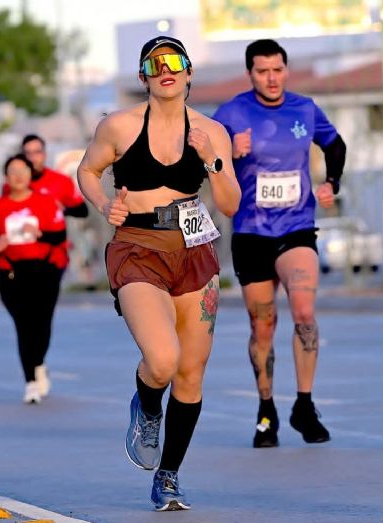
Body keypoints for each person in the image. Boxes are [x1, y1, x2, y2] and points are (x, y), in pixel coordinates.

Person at [77, 36, 240, 511]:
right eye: (155, 62)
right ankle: (147, 406)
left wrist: (211, 158)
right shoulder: (120, 126)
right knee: (163, 359)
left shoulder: (211, 131)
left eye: (175, 61)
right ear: (144, 75)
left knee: (190, 374)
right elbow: (88, 171)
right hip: (138, 248)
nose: (166, 69)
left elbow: (229, 204)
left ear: (189, 73)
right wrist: (104, 201)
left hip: (194, 252)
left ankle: (168, 476)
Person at [212, 39, 346, 449]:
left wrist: (331, 183)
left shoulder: (304, 108)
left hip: (296, 228)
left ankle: (304, 404)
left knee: (304, 312)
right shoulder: (231, 113)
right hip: (251, 233)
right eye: (262, 71)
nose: (271, 78)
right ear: (250, 73)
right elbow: (202, 162)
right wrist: (228, 153)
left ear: (286, 70)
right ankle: (266, 408)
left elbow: (335, 145)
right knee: (262, 325)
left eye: (277, 70)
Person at [1, 134, 89, 397]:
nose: (32, 157)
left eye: (37, 152)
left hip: (53, 258)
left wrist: (56, 209)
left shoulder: (58, 182)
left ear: (44, 153)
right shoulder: (10, 187)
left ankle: (37, 361)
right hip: (18, 262)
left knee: (42, 317)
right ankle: (33, 366)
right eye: (27, 153)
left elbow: (82, 210)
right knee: (24, 320)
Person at [0, 154, 67, 404]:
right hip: (11, 272)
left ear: (31, 174)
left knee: (42, 324)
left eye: (23, 170)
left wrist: (39, 233)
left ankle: (39, 362)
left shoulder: (45, 202)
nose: (18, 176)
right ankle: (30, 381)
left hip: (44, 271)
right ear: (6, 177)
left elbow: (59, 235)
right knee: (23, 325)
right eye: (12, 171)